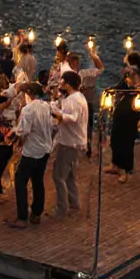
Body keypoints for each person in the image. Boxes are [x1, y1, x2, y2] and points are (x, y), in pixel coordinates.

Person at [5, 83, 54, 229]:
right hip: (45, 149)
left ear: (30, 93)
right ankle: (36, 214)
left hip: (32, 151)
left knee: (20, 180)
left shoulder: (28, 109)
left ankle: (22, 217)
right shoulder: (47, 106)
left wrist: (12, 134)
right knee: (38, 180)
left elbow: (22, 131)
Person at [49, 71, 88, 218]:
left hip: (69, 143)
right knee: (69, 176)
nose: (60, 85)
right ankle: (74, 204)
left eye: (62, 82)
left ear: (68, 84)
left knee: (58, 176)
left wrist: (56, 114)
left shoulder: (74, 100)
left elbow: (72, 118)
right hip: (73, 143)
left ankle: (62, 208)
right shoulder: (75, 98)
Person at [105, 66, 140, 183]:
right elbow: (118, 88)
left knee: (126, 143)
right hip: (120, 113)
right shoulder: (125, 83)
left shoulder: (139, 88)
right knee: (115, 139)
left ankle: (125, 170)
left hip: (131, 115)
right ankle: (115, 164)